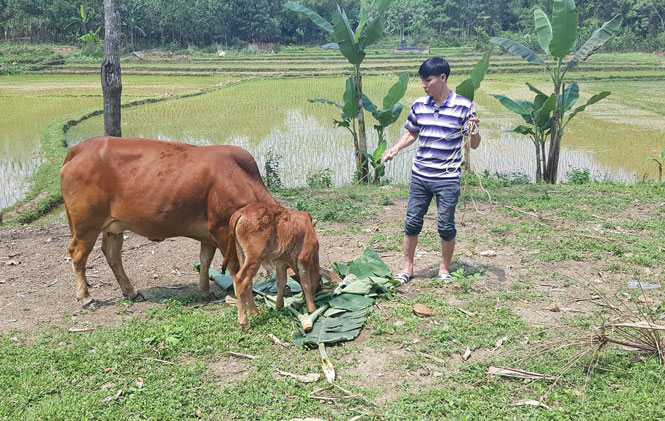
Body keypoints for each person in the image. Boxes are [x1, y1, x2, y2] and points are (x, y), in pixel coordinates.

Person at [382, 57, 481, 283]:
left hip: (447, 178)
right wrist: (395, 148)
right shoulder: (419, 105)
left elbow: (472, 144)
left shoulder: (464, 107)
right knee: (412, 222)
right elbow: (412, 132)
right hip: (420, 176)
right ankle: (408, 269)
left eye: (428, 80)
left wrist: (474, 131)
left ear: (442, 78)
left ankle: (444, 270)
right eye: (422, 81)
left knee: (446, 225)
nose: (424, 85)